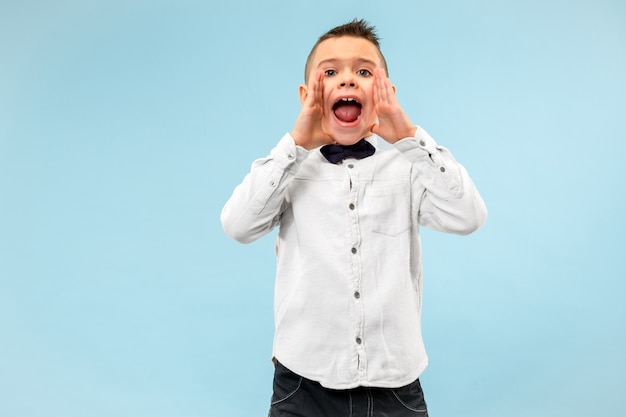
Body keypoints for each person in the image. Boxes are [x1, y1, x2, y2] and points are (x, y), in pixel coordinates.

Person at [221, 18, 487, 417]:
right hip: (302, 384)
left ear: (385, 93)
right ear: (308, 93)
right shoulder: (288, 169)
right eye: (330, 72)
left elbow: (468, 216)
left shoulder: (408, 167)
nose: (347, 80)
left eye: (364, 71)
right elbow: (238, 225)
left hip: (395, 384)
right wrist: (294, 145)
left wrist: (409, 137)